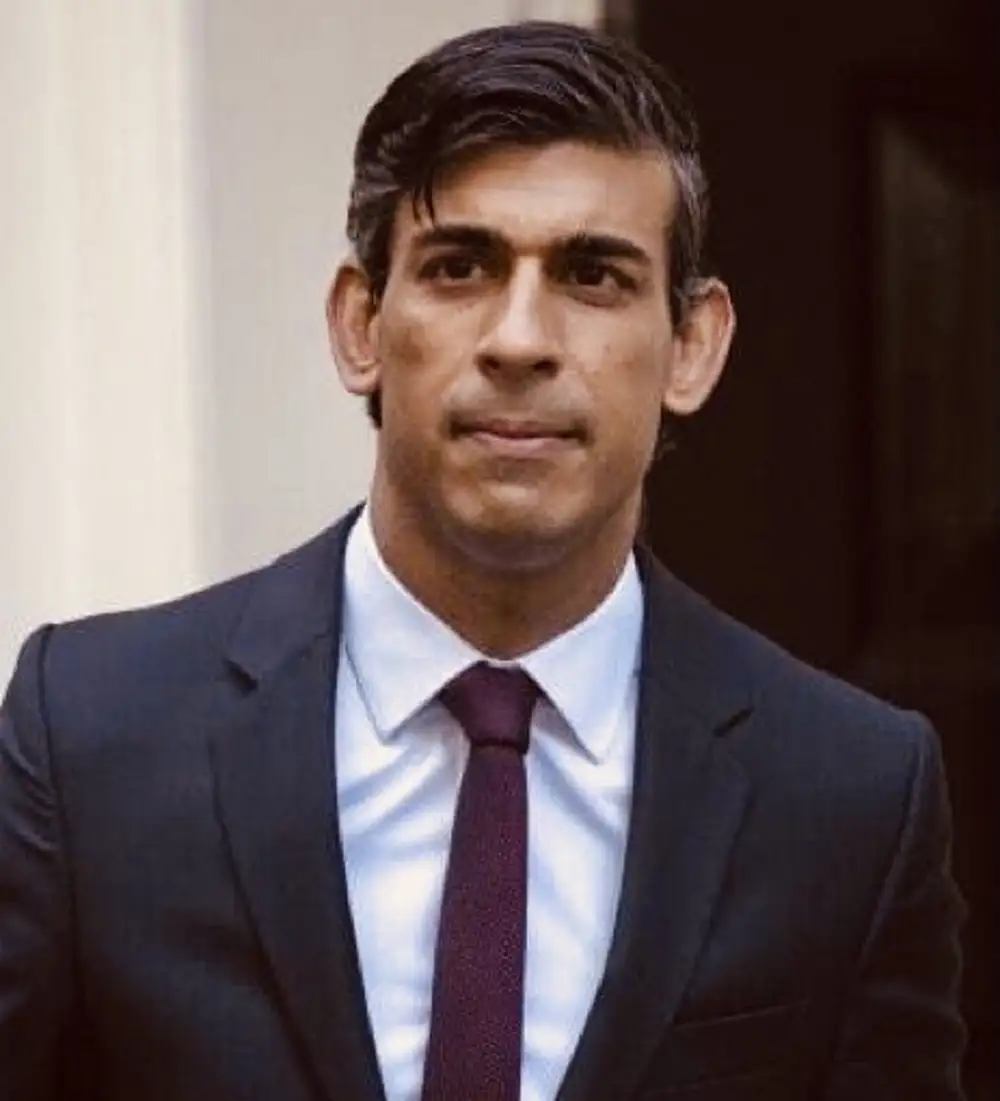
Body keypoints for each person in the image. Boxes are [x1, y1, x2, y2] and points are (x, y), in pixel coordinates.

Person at [0, 20, 966, 1101]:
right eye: (459, 267)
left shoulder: (848, 795)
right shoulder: (90, 738)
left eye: (593, 276)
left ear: (691, 345)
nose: (518, 339)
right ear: (360, 323)